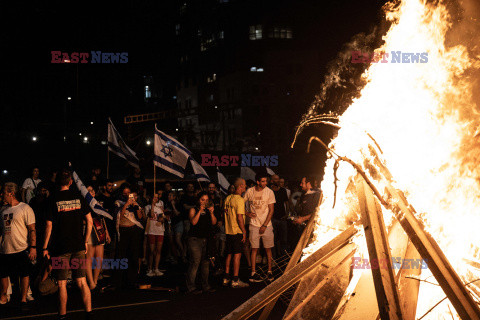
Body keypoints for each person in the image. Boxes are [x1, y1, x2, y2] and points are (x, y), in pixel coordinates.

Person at [42, 169, 93, 320]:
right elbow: (90, 221)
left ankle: (62, 315)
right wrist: (85, 240)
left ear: (58, 182)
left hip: (60, 248)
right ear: (71, 182)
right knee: (82, 282)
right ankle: (89, 313)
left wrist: (45, 247)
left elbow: (48, 226)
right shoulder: (79, 197)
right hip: (78, 246)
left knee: (62, 283)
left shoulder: (52, 199)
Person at [0, 183, 36, 307]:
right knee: (3, 274)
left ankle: (23, 298)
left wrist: (33, 247)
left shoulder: (25, 208)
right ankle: (4, 295)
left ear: (11, 193)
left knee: (24, 273)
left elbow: (32, 229)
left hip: (21, 248)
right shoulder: (2, 210)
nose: (2, 195)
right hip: (5, 249)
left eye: (4, 193)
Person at [244, 173, 276, 282]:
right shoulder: (250, 191)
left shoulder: (269, 192)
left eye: (265, 181)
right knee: (254, 249)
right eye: (263, 181)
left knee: (268, 248)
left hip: (266, 225)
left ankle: (269, 271)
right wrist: (247, 213)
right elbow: (240, 204)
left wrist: (264, 225)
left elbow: (271, 210)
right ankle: (253, 272)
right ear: (257, 182)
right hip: (254, 224)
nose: (265, 183)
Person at [113, 186, 144, 289]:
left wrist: (136, 205)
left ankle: (132, 280)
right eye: (125, 193)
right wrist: (126, 204)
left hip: (133, 231)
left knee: (133, 256)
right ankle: (118, 281)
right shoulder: (118, 202)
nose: (127, 195)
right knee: (120, 256)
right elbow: (119, 216)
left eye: (129, 192)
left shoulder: (135, 203)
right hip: (123, 231)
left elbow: (139, 217)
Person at [186, 192, 217, 294]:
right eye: (202, 200)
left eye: (206, 200)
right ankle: (191, 287)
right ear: (198, 200)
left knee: (205, 263)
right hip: (194, 239)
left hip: (205, 239)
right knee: (195, 262)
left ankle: (205, 286)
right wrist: (200, 211)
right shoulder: (193, 209)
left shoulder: (208, 211)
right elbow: (193, 222)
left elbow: (214, 222)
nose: (204, 202)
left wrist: (212, 213)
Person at [222, 178, 249, 288]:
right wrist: (244, 231)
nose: (246, 187)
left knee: (229, 254)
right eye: (245, 185)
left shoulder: (227, 198)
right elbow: (239, 217)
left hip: (228, 231)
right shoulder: (239, 199)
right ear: (240, 186)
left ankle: (226, 278)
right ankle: (235, 280)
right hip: (236, 231)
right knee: (237, 255)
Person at [85, 185, 111, 291]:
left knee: (99, 258)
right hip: (90, 231)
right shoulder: (84, 203)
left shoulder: (97, 203)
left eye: (92, 190)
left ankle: (95, 281)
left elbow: (102, 218)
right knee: (89, 258)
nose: (91, 192)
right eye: (88, 191)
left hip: (100, 231)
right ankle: (90, 282)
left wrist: (107, 233)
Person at [145, 193, 165, 277]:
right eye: (154, 197)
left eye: (157, 197)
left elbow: (162, 219)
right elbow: (151, 215)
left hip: (160, 231)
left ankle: (156, 268)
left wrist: (162, 219)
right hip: (151, 231)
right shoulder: (147, 207)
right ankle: (149, 269)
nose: (156, 198)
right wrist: (152, 205)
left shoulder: (160, 209)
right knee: (151, 251)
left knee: (158, 251)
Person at [270, 175, 289, 258]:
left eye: (278, 179)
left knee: (284, 240)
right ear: (272, 181)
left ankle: (283, 257)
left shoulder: (283, 190)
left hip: (282, 218)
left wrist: (287, 214)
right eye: (276, 179)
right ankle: (273, 258)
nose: (277, 181)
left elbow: (287, 203)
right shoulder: (269, 191)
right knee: (273, 240)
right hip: (272, 218)